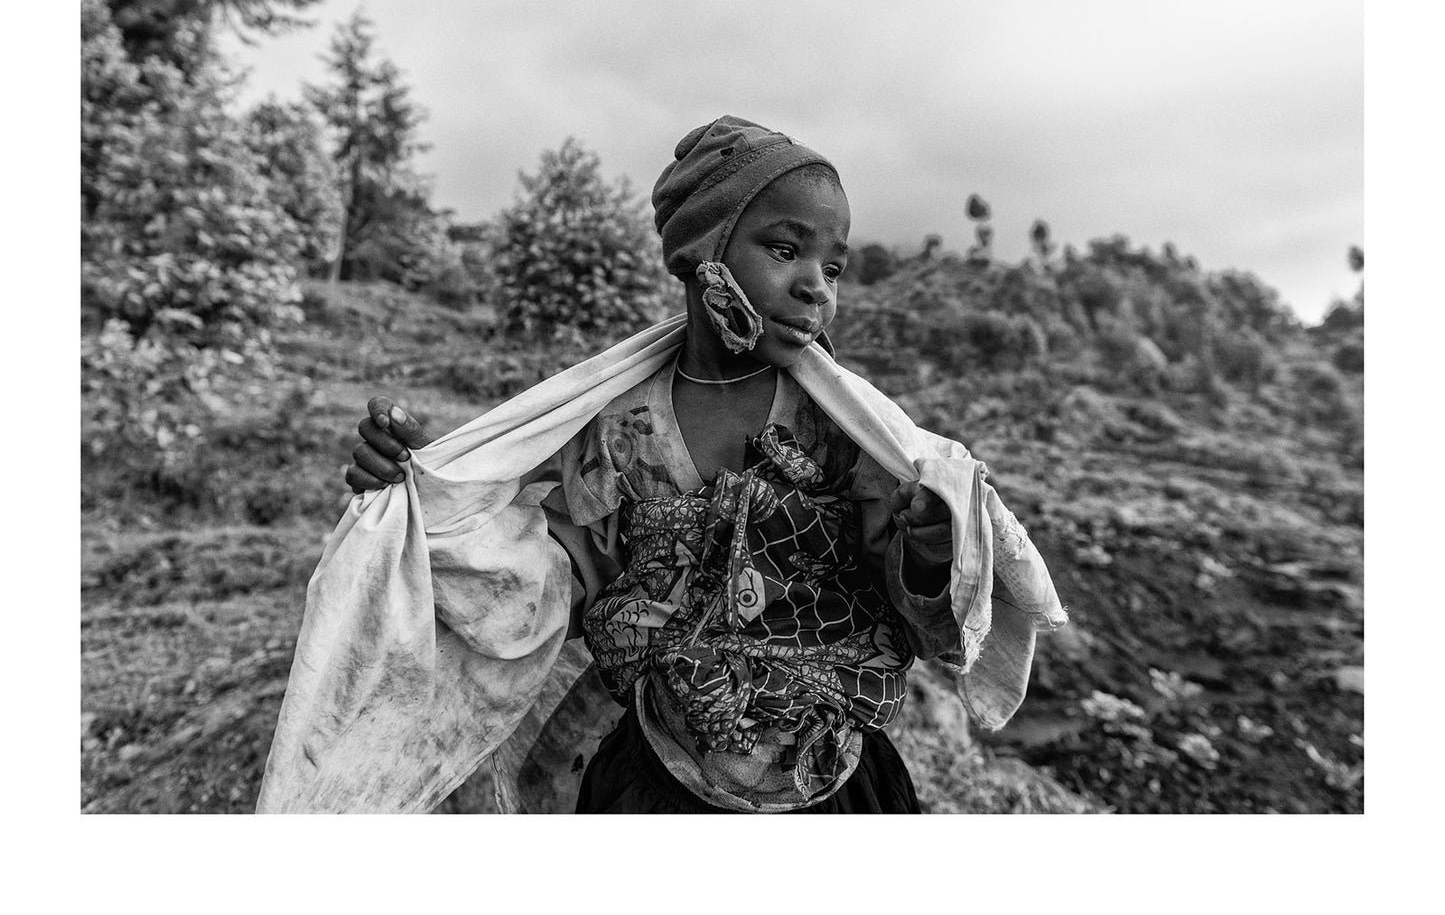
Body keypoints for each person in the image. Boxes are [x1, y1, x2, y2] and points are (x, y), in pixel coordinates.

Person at [313, 115, 1064, 814]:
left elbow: (906, 596)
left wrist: (931, 547)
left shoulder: (842, 429)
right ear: (702, 253)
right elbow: (563, 579)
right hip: (658, 780)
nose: (816, 286)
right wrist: (428, 507)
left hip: (833, 789)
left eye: (832, 267)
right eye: (783, 249)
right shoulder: (618, 426)